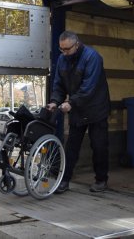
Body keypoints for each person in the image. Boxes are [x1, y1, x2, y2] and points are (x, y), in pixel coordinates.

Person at [47, 31, 111, 193]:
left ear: (77, 45)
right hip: (77, 108)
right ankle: (64, 180)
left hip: (96, 108)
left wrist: (70, 102)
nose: (64, 53)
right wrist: (55, 101)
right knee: (71, 147)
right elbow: (59, 85)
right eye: (61, 49)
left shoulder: (92, 57)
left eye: (67, 49)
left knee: (99, 146)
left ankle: (101, 180)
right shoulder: (62, 59)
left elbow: (89, 88)